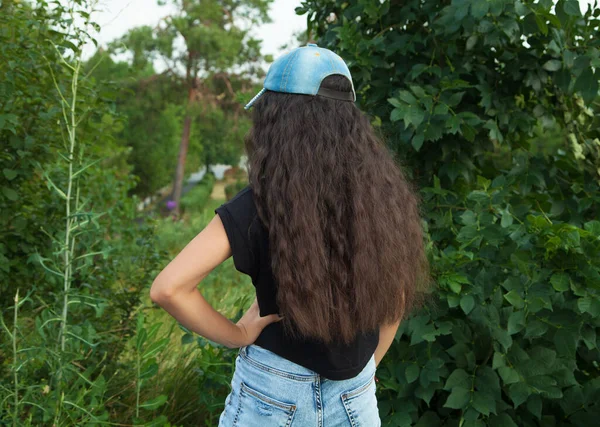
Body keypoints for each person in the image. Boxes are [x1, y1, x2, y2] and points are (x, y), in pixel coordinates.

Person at [150, 43, 429, 427]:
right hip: (355, 394)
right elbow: (396, 296)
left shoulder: (259, 203)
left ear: (275, 119)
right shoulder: (383, 197)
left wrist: (237, 333)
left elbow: (169, 289)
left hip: (272, 392)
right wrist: (365, 368)